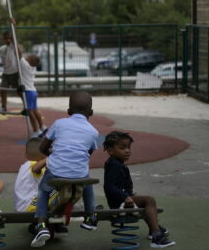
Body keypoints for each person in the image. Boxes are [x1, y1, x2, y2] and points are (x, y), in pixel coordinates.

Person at [31, 91, 99, 248]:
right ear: (91, 113)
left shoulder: (59, 123)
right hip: (80, 175)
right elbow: (88, 154)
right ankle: (91, 216)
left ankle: (41, 225)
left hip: (55, 173)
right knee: (87, 182)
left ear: (68, 111)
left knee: (43, 190)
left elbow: (43, 147)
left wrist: (55, 156)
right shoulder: (93, 131)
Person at [103, 131, 176, 248]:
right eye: (122, 148)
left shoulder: (117, 163)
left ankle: (154, 229)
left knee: (145, 204)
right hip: (119, 203)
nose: (127, 150)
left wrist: (129, 194)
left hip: (121, 200)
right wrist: (125, 197)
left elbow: (119, 184)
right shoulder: (114, 165)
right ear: (110, 151)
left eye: (128, 147)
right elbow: (109, 186)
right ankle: (156, 235)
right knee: (149, 200)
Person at [0, 31, 22, 112]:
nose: (6, 40)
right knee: (3, 90)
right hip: (6, 73)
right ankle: (3, 106)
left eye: (7, 38)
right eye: (5, 38)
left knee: (19, 91)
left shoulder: (13, 46)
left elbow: (14, 38)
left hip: (14, 72)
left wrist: (14, 26)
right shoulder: (3, 48)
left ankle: (26, 106)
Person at [20, 54, 46, 137]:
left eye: (29, 57)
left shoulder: (25, 65)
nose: (27, 57)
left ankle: (36, 130)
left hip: (28, 91)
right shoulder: (33, 68)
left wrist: (14, 42)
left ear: (30, 61)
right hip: (33, 91)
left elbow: (19, 54)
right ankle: (42, 127)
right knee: (35, 110)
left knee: (30, 112)